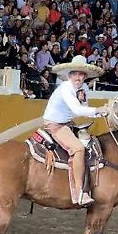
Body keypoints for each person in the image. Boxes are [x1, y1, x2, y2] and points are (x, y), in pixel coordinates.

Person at [42, 55, 109, 206]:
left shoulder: (83, 88)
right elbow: (77, 109)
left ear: (85, 76)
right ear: (69, 75)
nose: (78, 77)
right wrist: (99, 109)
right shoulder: (66, 87)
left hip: (67, 123)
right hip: (55, 124)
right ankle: (79, 192)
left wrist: (102, 112)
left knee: (89, 143)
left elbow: (84, 109)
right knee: (78, 149)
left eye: (81, 74)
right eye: (75, 74)